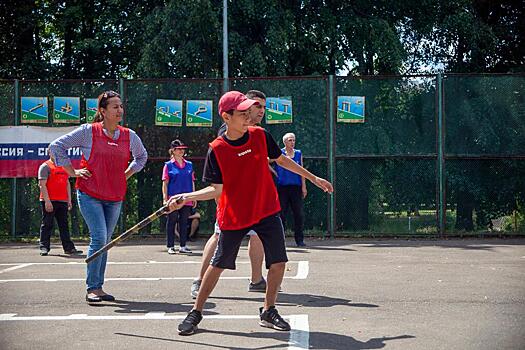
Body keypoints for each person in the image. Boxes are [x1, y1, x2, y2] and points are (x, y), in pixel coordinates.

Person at [167, 91, 333, 336]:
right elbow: (216, 190)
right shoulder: (217, 150)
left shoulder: (260, 135)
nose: (248, 116)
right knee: (218, 264)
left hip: (266, 209)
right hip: (235, 215)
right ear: (226, 116)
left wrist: (313, 177)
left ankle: (268, 310)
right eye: (242, 113)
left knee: (279, 262)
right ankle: (196, 312)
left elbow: (282, 160)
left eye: (249, 111)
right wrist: (185, 197)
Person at [49, 90, 147, 303]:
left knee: (105, 242)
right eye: (114, 106)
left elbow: (141, 157)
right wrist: (72, 172)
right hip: (89, 193)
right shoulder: (88, 132)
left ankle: (98, 287)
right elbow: (56, 147)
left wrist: (127, 174)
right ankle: (92, 287)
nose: (120, 110)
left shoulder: (129, 135)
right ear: (102, 111)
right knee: (100, 238)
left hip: (115, 196)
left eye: (121, 106)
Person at [190, 90, 268, 299]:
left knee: (257, 235)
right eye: (257, 106)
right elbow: (223, 168)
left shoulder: (257, 132)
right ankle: (200, 280)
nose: (260, 110)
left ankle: (256, 279)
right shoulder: (232, 127)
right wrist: (217, 198)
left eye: (262, 106)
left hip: (254, 200)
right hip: (232, 200)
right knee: (219, 237)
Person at [37, 150, 83, 256]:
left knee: (64, 225)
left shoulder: (64, 166)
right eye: (54, 152)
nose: (57, 154)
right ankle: (44, 247)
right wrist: (47, 201)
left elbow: (67, 183)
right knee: (47, 224)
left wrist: (69, 200)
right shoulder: (45, 166)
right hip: (49, 200)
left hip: (62, 201)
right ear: (50, 153)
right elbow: (41, 185)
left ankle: (69, 248)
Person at [274, 133, 307, 247]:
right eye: (290, 140)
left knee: (298, 214)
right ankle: (280, 240)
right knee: (281, 214)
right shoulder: (279, 153)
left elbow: (302, 170)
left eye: (293, 140)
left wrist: (304, 186)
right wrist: (273, 172)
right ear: (285, 142)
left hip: (296, 188)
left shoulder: (298, 153)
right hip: (282, 188)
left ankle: (299, 240)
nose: (292, 142)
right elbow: (265, 160)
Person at [162, 139, 195, 254]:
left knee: (184, 222)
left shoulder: (189, 165)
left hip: (187, 198)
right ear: (173, 151)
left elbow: (192, 181)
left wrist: (193, 196)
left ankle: (183, 245)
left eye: (183, 149)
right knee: (172, 221)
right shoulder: (168, 165)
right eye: (179, 149)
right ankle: (170, 246)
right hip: (173, 199)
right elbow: (165, 183)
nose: (182, 151)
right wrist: (165, 199)